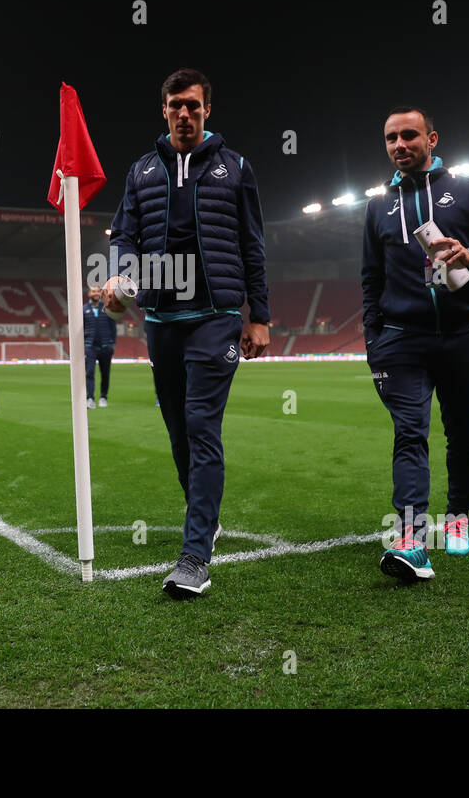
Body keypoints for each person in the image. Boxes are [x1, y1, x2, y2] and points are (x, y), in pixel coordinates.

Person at [104, 67, 270, 599]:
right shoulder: (141, 171)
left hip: (215, 315)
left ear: (207, 110)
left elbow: (253, 245)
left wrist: (259, 315)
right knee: (178, 431)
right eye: (175, 105)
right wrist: (122, 275)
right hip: (160, 318)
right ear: (164, 109)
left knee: (202, 427)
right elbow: (124, 235)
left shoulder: (236, 167)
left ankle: (196, 555)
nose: (184, 114)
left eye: (193, 106)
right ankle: (206, 517)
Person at [361, 106, 469, 582]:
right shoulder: (376, 207)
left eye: (409, 135)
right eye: (391, 138)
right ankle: (411, 539)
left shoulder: (467, 190)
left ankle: (459, 516)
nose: (399, 145)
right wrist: (375, 341)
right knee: (410, 433)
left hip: (462, 335)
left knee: (462, 434)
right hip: (402, 342)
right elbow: (371, 279)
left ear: (432, 139)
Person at [82, 286, 116, 408]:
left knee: (105, 374)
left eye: (98, 291)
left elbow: (113, 328)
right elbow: (81, 329)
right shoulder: (83, 309)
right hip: (89, 346)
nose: (96, 293)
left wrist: (112, 344)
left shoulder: (107, 308)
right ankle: (90, 398)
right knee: (90, 372)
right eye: (93, 291)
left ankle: (103, 397)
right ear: (89, 294)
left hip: (106, 347)